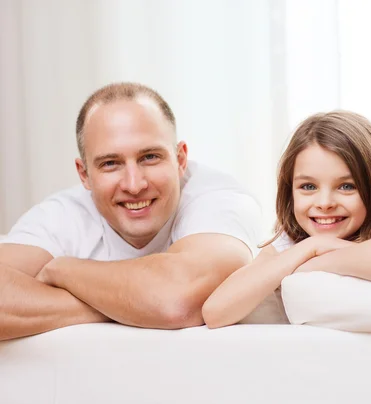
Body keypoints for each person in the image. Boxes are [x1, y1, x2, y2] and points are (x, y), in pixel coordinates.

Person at [0, 82, 261, 341]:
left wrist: (62, 270)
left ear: (180, 159)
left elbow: (176, 302)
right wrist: (129, 306)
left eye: (149, 157)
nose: (134, 185)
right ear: (84, 174)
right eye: (111, 163)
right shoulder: (63, 215)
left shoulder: (220, 200)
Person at [202, 110, 371, 328]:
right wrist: (312, 245)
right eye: (308, 186)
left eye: (346, 186)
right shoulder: (288, 246)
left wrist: (312, 258)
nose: (324, 202)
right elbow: (215, 312)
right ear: (290, 191)